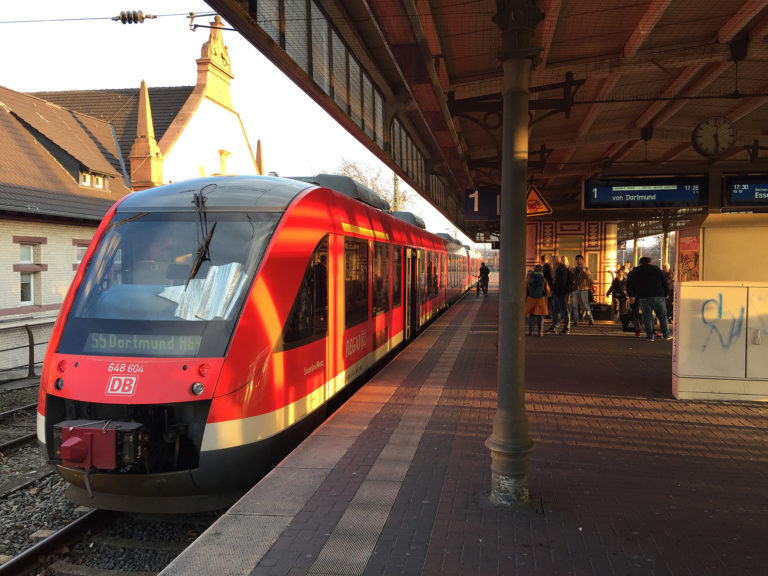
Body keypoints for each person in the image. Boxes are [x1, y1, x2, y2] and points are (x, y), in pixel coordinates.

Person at [626, 256, 671, 342]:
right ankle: (666, 335)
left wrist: (631, 295)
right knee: (662, 316)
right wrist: (666, 293)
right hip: (658, 295)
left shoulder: (636, 271)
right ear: (650, 262)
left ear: (640, 263)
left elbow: (629, 284)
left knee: (647, 317)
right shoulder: (657, 270)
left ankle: (650, 336)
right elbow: (664, 282)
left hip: (643, 297)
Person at [547, 255, 573, 334]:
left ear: (556, 261)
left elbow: (561, 282)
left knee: (563, 310)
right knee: (558, 310)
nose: (552, 262)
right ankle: (556, 326)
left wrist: (554, 287)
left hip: (561, 292)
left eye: (553, 260)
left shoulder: (561, 269)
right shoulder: (559, 268)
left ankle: (566, 328)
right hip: (559, 292)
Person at [570, 254, 595, 326]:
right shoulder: (574, 269)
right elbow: (571, 278)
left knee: (585, 304)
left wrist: (585, 271)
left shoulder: (586, 269)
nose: (579, 261)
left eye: (580, 259)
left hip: (583, 289)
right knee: (574, 305)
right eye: (577, 259)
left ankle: (590, 319)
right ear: (576, 260)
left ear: (582, 261)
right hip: (575, 289)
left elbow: (590, 278)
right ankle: (576, 321)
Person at [525, 264, 550, 336]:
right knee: (540, 317)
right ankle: (540, 332)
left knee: (532, 316)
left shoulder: (530, 278)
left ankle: (531, 331)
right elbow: (547, 290)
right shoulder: (544, 279)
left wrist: (526, 298)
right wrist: (546, 298)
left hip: (531, 299)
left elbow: (526, 288)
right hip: (541, 299)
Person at [541, 254, 554, 319]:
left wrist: (547, 284)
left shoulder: (546, 267)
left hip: (547, 286)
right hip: (549, 286)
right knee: (549, 301)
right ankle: (550, 315)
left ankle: (550, 315)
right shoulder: (549, 267)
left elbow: (550, 277)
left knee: (549, 301)